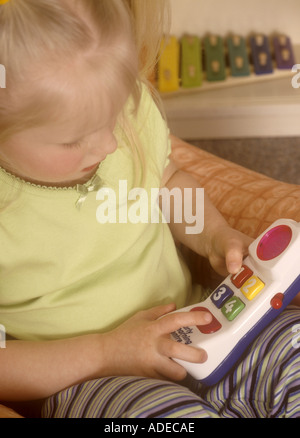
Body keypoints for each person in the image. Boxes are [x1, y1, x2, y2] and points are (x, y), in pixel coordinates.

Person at [0, 0, 299, 418]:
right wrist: (105, 352)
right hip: (92, 380)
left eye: (115, 115)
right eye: (73, 140)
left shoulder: (123, 114)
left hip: (199, 320)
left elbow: (169, 182)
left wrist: (213, 234)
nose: (108, 145)